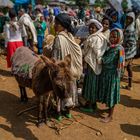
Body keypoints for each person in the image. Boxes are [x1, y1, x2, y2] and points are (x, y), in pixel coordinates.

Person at [52, 13, 83, 120]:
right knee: (70, 90)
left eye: (56, 23)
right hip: (70, 70)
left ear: (63, 25)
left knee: (60, 91)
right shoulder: (69, 35)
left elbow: (55, 57)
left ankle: (59, 113)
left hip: (61, 71)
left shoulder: (58, 38)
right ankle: (68, 112)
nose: (54, 25)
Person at [98, 28, 125, 123]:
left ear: (119, 37)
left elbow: (107, 60)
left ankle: (110, 116)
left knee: (111, 94)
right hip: (108, 74)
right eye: (111, 36)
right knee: (108, 93)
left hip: (112, 76)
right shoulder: (112, 47)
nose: (112, 38)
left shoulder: (117, 49)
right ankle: (109, 110)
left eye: (114, 37)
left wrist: (99, 59)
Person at [80, 19, 107, 113]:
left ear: (97, 28)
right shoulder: (97, 37)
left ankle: (90, 106)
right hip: (93, 65)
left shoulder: (95, 38)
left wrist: (87, 43)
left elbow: (97, 52)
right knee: (92, 84)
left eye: (93, 28)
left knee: (91, 85)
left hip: (93, 65)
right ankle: (92, 103)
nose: (91, 29)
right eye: (90, 27)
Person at [123, 12, 137, 90]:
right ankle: (130, 85)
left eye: (130, 19)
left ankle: (117, 86)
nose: (128, 20)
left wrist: (123, 45)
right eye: (127, 18)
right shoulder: (129, 27)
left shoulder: (130, 29)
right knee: (129, 68)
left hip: (128, 52)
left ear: (132, 19)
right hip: (131, 52)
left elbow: (131, 42)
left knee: (122, 68)